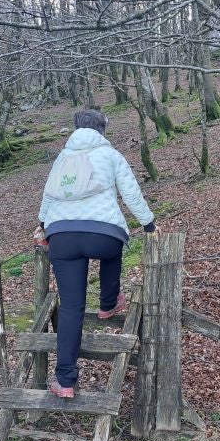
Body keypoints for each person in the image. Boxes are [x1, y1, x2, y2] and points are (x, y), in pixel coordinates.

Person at [36, 109, 158, 399]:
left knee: (71, 308)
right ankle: (108, 302)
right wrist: (149, 224)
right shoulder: (110, 155)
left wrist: (42, 225)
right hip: (102, 234)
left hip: (62, 235)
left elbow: (48, 195)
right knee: (111, 250)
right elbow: (130, 192)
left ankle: (64, 380)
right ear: (103, 129)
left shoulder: (63, 157)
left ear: (76, 128)